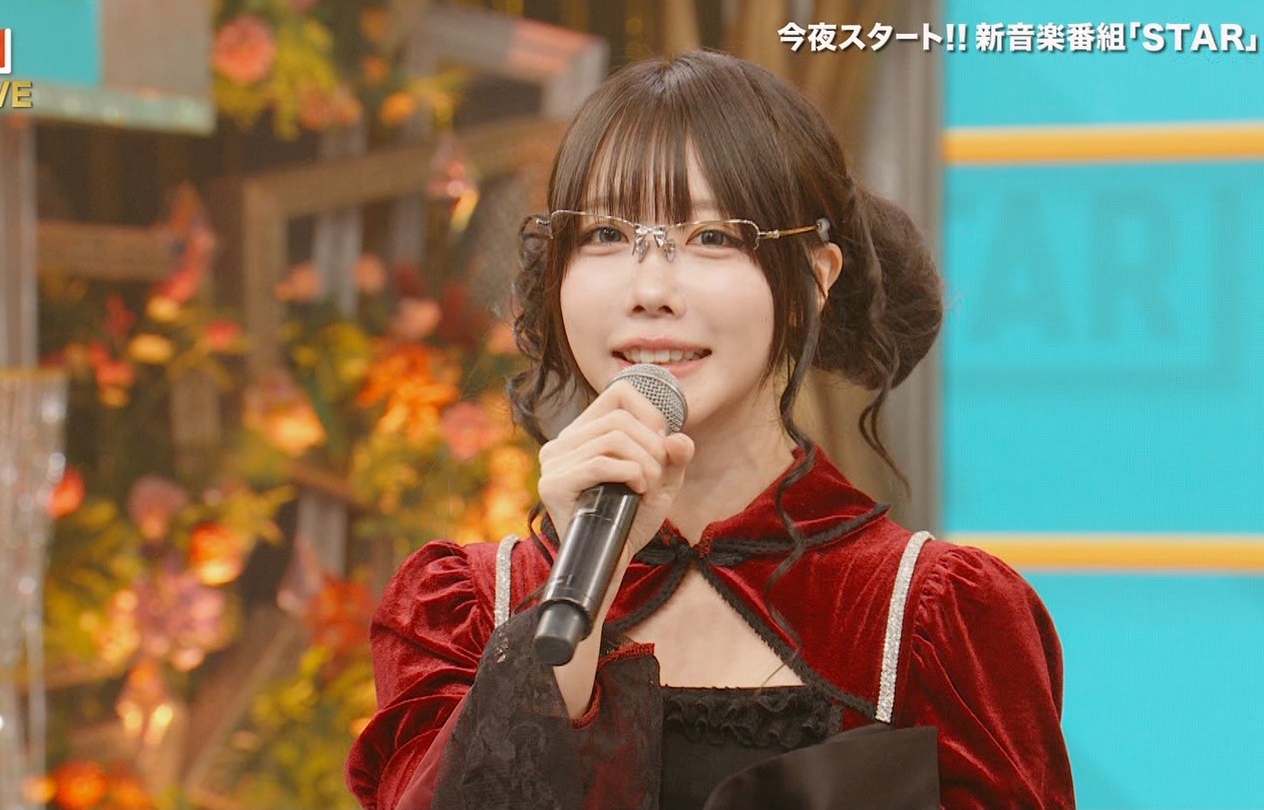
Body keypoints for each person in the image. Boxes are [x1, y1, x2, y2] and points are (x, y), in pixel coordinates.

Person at [346, 49, 1075, 810]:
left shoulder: (930, 616)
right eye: (605, 233)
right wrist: (570, 621)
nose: (650, 289)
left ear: (815, 277)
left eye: (714, 237)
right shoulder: (462, 609)